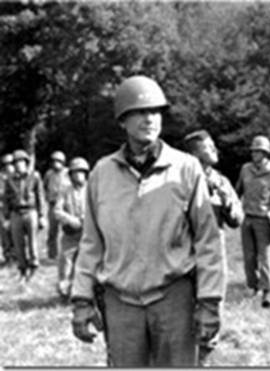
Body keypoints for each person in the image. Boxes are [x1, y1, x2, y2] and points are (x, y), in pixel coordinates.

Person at [70, 75, 225, 367]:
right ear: (122, 121)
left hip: (174, 298)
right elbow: (91, 243)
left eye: (155, 111)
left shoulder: (186, 169)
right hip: (121, 302)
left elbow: (208, 241)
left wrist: (209, 302)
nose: (149, 118)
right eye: (139, 112)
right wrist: (81, 300)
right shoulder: (102, 174)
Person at [183, 129, 243, 365]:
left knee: (213, 309)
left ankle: (204, 361)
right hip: (185, 256)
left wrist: (226, 201)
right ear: (194, 154)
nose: (215, 151)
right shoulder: (181, 181)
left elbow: (237, 220)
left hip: (215, 257)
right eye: (208, 147)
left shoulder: (221, 181)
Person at [235, 135, 270, 308]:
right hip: (247, 217)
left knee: (264, 257)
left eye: (258, 151)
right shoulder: (245, 169)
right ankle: (252, 286)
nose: (254, 154)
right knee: (249, 256)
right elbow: (238, 191)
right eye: (253, 151)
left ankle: (268, 292)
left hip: (265, 219)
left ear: (265, 153)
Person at [4, 149, 46, 282]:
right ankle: (22, 269)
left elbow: (40, 197)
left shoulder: (34, 176)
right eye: (16, 162)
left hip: (31, 211)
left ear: (26, 163)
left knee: (33, 242)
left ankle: (33, 267)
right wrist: (6, 217)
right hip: (16, 212)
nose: (18, 165)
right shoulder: (9, 179)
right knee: (18, 243)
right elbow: (6, 199)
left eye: (21, 162)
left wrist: (42, 216)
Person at [54, 157, 90, 299]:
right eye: (75, 173)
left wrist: (85, 218)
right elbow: (57, 211)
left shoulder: (92, 189)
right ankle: (64, 291)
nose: (78, 176)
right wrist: (70, 220)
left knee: (87, 264)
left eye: (81, 172)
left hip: (88, 233)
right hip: (70, 234)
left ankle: (83, 294)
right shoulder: (65, 191)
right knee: (65, 264)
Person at [43, 150, 70, 259]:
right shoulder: (49, 174)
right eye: (53, 161)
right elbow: (44, 187)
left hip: (65, 206)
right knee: (52, 232)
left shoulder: (68, 173)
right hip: (53, 205)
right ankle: (52, 254)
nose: (55, 163)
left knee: (69, 231)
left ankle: (68, 254)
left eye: (58, 161)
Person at [0, 153, 15, 265]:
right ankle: (8, 255)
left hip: (16, 209)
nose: (8, 166)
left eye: (10, 163)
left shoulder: (19, 176)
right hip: (3, 209)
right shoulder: (1, 177)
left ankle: (17, 255)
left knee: (16, 233)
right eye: (6, 164)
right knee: (5, 233)